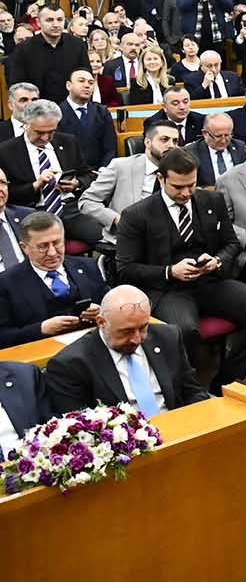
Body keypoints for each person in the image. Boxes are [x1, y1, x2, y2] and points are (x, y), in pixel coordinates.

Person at [113, 147, 246, 390]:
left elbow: (231, 244)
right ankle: (187, 389)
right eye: (178, 187)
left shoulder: (211, 200)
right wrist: (170, 271)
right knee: (183, 331)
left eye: (191, 185)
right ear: (161, 179)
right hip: (169, 289)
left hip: (210, 281)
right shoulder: (137, 215)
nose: (186, 193)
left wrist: (218, 260)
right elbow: (125, 269)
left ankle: (226, 380)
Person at [45, 284, 211, 414]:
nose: (137, 339)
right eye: (126, 331)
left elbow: (193, 391)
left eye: (143, 328)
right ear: (101, 322)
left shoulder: (168, 337)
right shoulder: (71, 365)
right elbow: (79, 430)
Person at [0, 98, 104, 245]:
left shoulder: (68, 142)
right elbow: (7, 194)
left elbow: (88, 174)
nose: (45, 138)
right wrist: (36, 185)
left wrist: (76, 184)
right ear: (25, 125)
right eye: (39, 132)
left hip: (70, 209)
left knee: (106, 240)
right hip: (32, 213)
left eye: (51, 132)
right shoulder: (6, 151)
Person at [0, 210, 108, 347]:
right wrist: (41, 329)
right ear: (24, 248)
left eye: (57, 243)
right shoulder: (6, 283)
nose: (52, 253)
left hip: (92, 348)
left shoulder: (88, 267)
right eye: (42, 247)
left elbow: (112, 307)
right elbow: (2, 336)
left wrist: (102, 312)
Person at [79, 121, 182, 247]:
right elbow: (87, 201)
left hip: (168, 240)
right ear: (147, 143)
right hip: (129, 241)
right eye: (164, 140)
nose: (171, 146)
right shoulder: (121, 166)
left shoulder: (180, 171)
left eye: (175, 141)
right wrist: (117, 219)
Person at [5, 3, 90, 104]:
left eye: (59, 20)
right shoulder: (24, 49)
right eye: (49, 20)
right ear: (38, 22)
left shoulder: (77, 45)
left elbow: (86, 76)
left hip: (72, 107)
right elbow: (17, 84)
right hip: (36, 108)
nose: (55, 25)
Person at [56, 67, 116, 170]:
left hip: (99, 173)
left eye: (91, 83)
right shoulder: (56, 113)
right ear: (68, 85)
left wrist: (103, 171)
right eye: (81, 81)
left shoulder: (102, 112)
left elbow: (110, 148)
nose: (87, 85)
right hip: (69, 173)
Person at [186, 113, 246, 187]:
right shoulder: (191, 153)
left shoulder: (242, 148)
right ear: (205, 133)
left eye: (227, 135)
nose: (223, 141)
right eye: (218, 136)